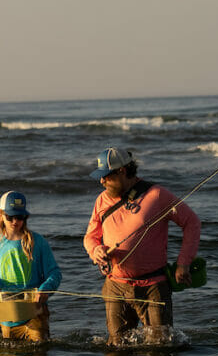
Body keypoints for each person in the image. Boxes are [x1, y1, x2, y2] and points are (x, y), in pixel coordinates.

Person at [83, 148, 200, 345]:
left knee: (160, 350)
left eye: (106, 176)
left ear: (122, 171)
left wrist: (183, 264)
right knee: (117, 348)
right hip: (115, 286)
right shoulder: (101, 200)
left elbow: (192, 223)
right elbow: (90, 236)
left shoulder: (156, 195)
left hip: (153, 287)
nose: (101, 182)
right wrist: (95, 250)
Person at [0, 191, 62, 342]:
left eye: (20, 217)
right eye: (10, 217)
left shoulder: (38, 242)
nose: (15, 221)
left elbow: (54, 273)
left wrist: (45, 290)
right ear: (0, 215)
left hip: (35, 312)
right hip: (6, 315)